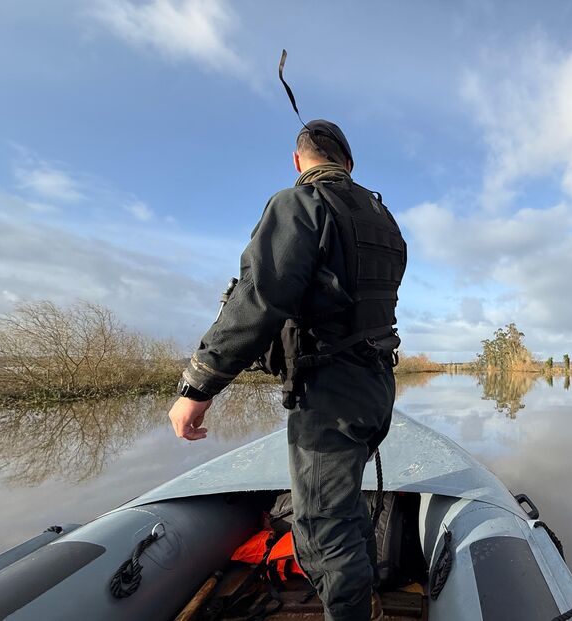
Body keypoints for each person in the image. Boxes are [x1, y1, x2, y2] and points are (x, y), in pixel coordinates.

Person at [167, 119, 407, 621]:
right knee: (342, 511)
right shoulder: (383, 219)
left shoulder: (299, 204)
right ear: (349, 163)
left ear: (298, 162)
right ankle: (369, 603)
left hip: (331, 391)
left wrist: (199, 385)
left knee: (321, 526)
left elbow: (259, 301)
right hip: (376, 384)